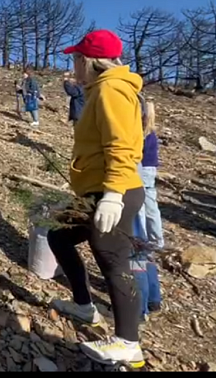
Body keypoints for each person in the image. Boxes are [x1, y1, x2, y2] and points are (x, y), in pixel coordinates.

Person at [46, 29, 146, 368]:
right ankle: (84, 305)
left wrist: (113, 195)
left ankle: (128, 343)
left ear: (90, 60)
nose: (73, 65)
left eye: (76, 58)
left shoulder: (112, 90)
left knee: (112, 259)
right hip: (94, 191)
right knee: (58, 236)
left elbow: (122, 146)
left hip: (113, 190)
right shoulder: (99, 90)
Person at [132, 100, 163, 320]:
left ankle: (137, 308)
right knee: (145, 249)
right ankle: (153, 299)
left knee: (136, 249)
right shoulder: (150, 132)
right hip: (146, 183)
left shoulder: (138, 134)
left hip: (133, 188)